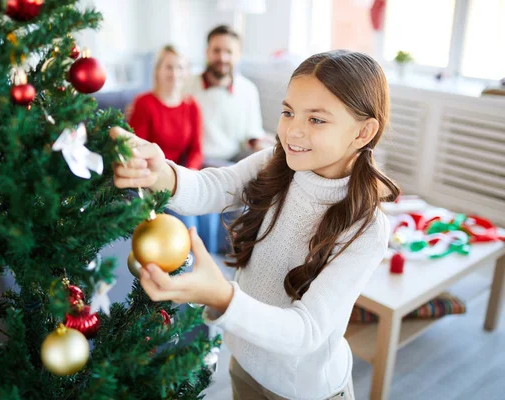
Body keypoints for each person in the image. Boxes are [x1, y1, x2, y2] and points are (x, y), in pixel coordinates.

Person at [111, 49, 400, 399]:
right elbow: (212, 187)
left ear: (363, 132)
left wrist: (221, 296)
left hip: (303, 390)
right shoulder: (275, 162)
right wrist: (161, 171)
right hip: (245, 364)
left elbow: (306, 330)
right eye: (288, 112)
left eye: (317, 120)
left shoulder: (367, 228)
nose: (292, 131)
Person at [184, 25, 273, 166]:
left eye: (229, 52)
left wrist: (265, 148)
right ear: (207, 52)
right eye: (216, 50)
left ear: (238, 55)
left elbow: (252, 133)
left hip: (233, 159)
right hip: (196, 159)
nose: (222, 58)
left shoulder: (248, 89)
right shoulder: (186, 85)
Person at [129, 45, 202, 170]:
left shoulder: (192, 106)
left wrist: (190, 174)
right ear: (157, 71)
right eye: (169, 67)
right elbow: (138, 148)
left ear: (187, 72)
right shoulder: (143, 103)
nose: (174, 73)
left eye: (180, 68)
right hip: (148, 171)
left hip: (180, 175)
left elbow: (196, 151)